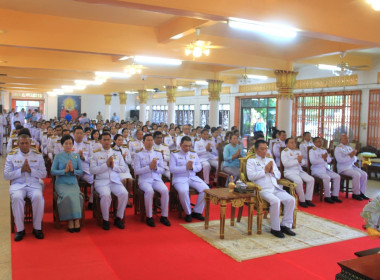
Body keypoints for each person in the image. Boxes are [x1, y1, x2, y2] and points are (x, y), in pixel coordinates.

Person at [247, 140, 296, 238]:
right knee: (276, 201)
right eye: (262, 149)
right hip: (262, 189)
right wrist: (264, 171)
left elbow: (278, 175)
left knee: (291, 199)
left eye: (266, 148)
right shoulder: (251, 161)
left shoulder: (270, 160)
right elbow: (250, 176)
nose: (264, 151)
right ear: (256, 150)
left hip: (275, 187)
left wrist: (273, 171)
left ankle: (285, 225)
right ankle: (275, 228)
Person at [4, 133, 46, 241]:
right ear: (18, 144)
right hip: (18, 184)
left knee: (38, 198)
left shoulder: (37, 155)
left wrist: (31, 171)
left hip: (33, 184)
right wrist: (20, 171)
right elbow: (6, 175)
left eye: (26, 143)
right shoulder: (12, 155)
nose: (24, 145)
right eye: (21, 143)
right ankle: (20, 229)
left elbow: (43, 174)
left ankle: (37, 228)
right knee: (17, 198)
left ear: (30, 143)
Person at [90, 133, 128, 230]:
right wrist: (105, 165)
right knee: (106, 195)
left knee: (124, 193)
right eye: (104, 140)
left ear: (111, 141)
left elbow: (123, 168)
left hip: (115, 181)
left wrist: (113, 166)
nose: (107, 142)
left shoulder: (117, 153)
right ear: (100, 141)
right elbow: (92, 170)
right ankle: (105, 220)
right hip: (101, 182)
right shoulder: (95, 154)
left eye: (108, 140)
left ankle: (118, 218)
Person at [133, 134, 171, 227]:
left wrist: (155, 168)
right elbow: (136, 171)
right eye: (148, 140)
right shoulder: (138, 154)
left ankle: (164, 216)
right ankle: (149, 217)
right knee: (149, 191)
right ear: (143, 142)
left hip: (156, 178)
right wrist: (149, 167)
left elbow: (162, 169)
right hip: (144, 180)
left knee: (165, 190)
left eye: (151, 140)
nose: (150, 142)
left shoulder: (157, 153)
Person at [170, 136, 209, 222]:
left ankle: (197, 211)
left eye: (189, 146)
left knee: (206, 190)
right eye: (185, 146)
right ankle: (188, 213)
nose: (187, 148)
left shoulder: (193, 154)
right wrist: (186, 167)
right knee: (183, 191)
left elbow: (199, 166)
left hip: (192, 177)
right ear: (180, 145)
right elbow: (172, 169)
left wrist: (192, 168)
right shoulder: (174, 154)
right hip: (179, 178)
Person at [51, 135, 84, 233]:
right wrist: (64, 171)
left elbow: (81, 171)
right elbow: (52, 171)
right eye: (66, 144)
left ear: (73, 145)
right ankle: (70, 220)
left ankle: (76, 219)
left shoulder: (76, 156)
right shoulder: (58, 156)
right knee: (68, 195)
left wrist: (73, 170)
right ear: (62, 145)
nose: (68, 146)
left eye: (70, 143)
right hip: (61, 183)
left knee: (77, 196)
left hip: (73, 182)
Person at [281, 138, 315, 208]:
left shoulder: (298, 151)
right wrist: (297, 161)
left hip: (299, 170)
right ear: (286, 144)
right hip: (290, 172)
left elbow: (303, 162)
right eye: (291, 142)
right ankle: (302, 200)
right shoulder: (284, 152)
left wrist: (300, 161)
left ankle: (308, 199)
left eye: (294, 142)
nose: (293, 144)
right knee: (298, 181)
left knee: (311, 179)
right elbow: (286, 164)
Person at [334, 134, 369, 201]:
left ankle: (362, 192)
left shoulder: (349, 148)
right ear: (340, 140)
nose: (346, 140)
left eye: (347, 138)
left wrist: (352, 156)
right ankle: (356, 194)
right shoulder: (338, 148)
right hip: (343, 168)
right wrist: (350, 156)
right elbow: (340, 160)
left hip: (351, 166)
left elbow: (355, 158)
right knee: (357, 175)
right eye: (344, 139)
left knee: (364, 174)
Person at [309, 137, 342, 204]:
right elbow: (313, 161)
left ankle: (335, 195)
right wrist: (323, 159)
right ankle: (327, 196)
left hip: (325, 169)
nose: (321, 143)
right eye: (318, 141)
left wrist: (325, 159)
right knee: (327, 178)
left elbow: (329, 159)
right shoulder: (312, 150)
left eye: (321, 141)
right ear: (314, 143)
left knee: (337, 176)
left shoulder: (324, 150)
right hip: (317, 170)